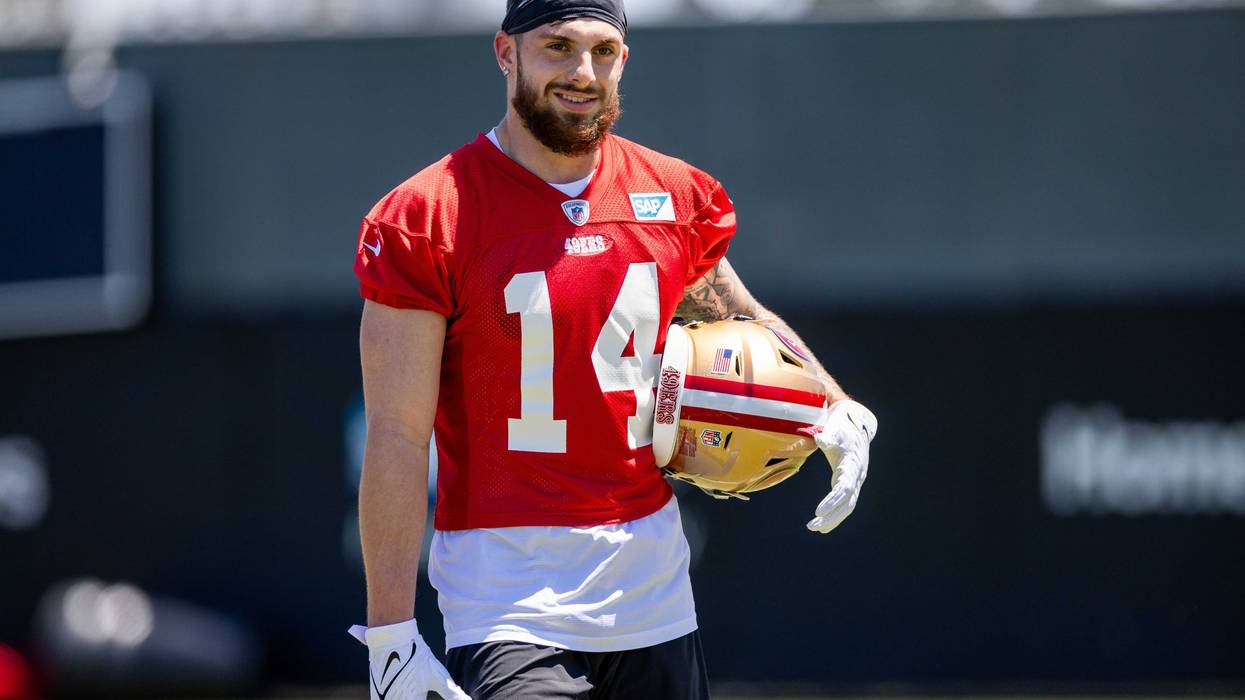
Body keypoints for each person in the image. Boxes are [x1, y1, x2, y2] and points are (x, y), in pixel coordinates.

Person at [348, 1, 878, 698]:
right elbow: (395, 432)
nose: (582, 71)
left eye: (602, 50)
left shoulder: (669, 193)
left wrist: (834, 405)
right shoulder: (428, 214)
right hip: (507, 595)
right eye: (557, 47)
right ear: (505, 54)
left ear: (623, 58)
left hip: (651, 590)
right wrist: (390, 635)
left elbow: (740, 313)